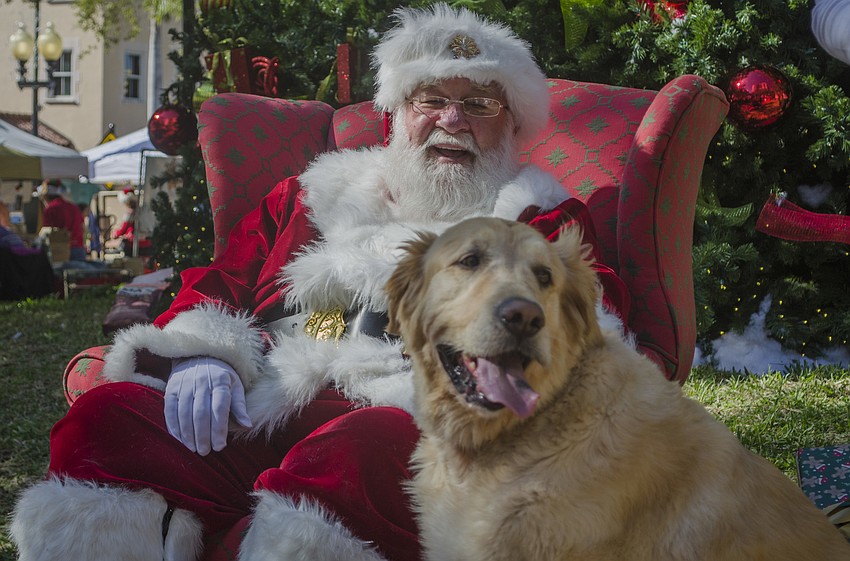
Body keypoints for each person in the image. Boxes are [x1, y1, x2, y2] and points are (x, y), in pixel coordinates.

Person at [11, 5, 629, 561]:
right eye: (430, 98)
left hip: (403, 409)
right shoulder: (311, 195)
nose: (451, 120)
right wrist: (204, 355)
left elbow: (583, 328)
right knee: (106, 420)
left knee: (349, 458)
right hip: (262, 396)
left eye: (479, 105)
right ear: (396, 114)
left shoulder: (538, 216)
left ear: (513, 126)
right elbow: (224, 280)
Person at [39, 179, 87, 261]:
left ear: (45, 195)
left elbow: (46, 231)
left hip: (60, 251)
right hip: (78, 249)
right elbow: (83, 228)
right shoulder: (74, 207)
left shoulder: (50, 209)